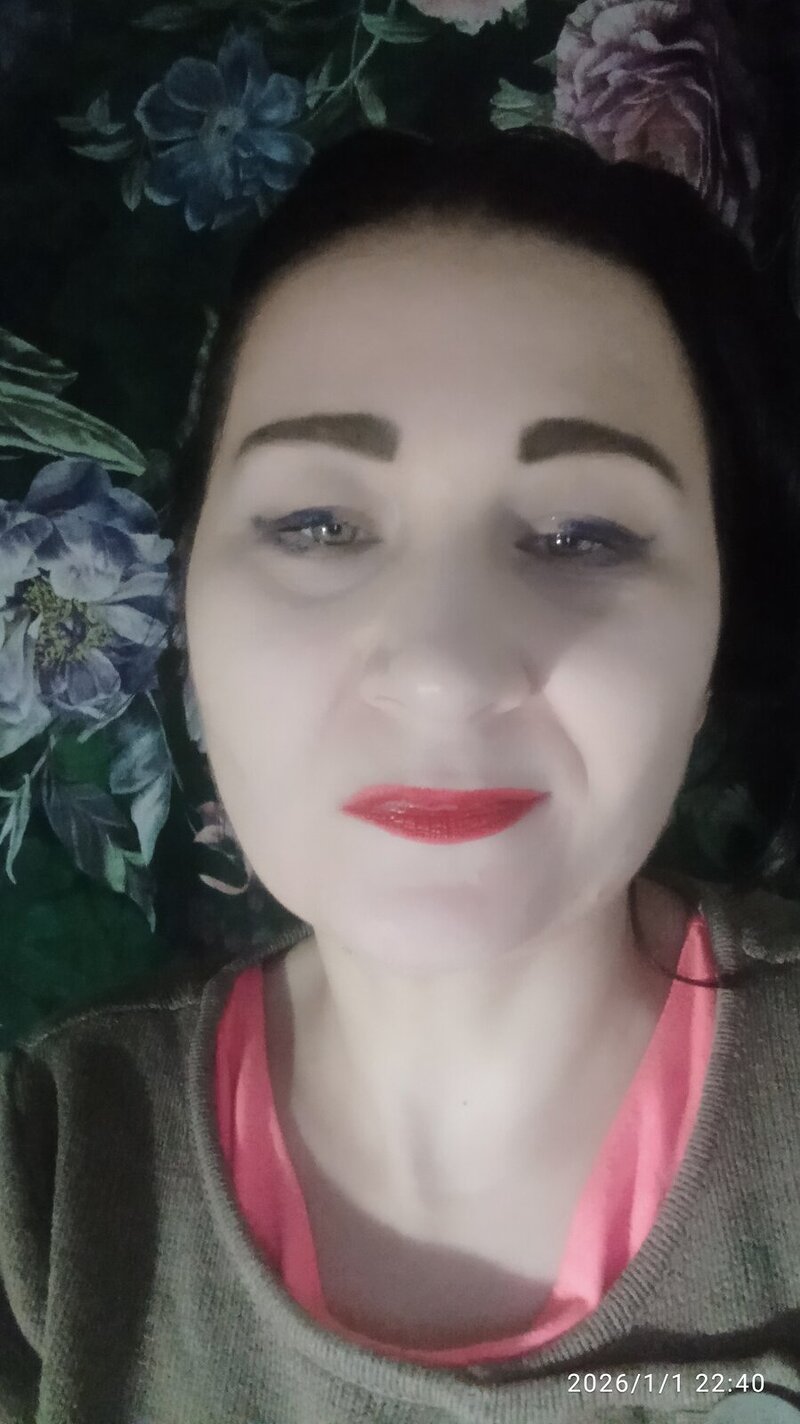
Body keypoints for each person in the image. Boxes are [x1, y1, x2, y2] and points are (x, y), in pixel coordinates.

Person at [3, 125, 800, 1423]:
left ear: (719, 630)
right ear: (187, 603)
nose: (442, 670)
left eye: (582, 534)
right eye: (316, 524)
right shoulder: (47, 1182)